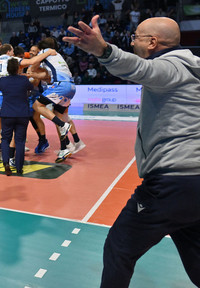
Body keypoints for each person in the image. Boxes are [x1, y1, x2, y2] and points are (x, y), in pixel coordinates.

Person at [63, 15, 200, 287]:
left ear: (152, 42)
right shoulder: (194, 67)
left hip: (171, 184)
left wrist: (103, 50)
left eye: (135, 36)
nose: (132, 41)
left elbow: (141, 69)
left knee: (119, 248)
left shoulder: (170, 67)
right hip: (194, 185)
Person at [0, 58, 33, 176]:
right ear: (18, 68)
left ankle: (6, 163)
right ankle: (19, 168)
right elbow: (31, 88)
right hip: (22, 114)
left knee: (5, 139)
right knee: (20, 141)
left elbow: (1, 89)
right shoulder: (24, 79)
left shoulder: (2, 80)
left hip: (7, 114)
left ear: (7, 69)